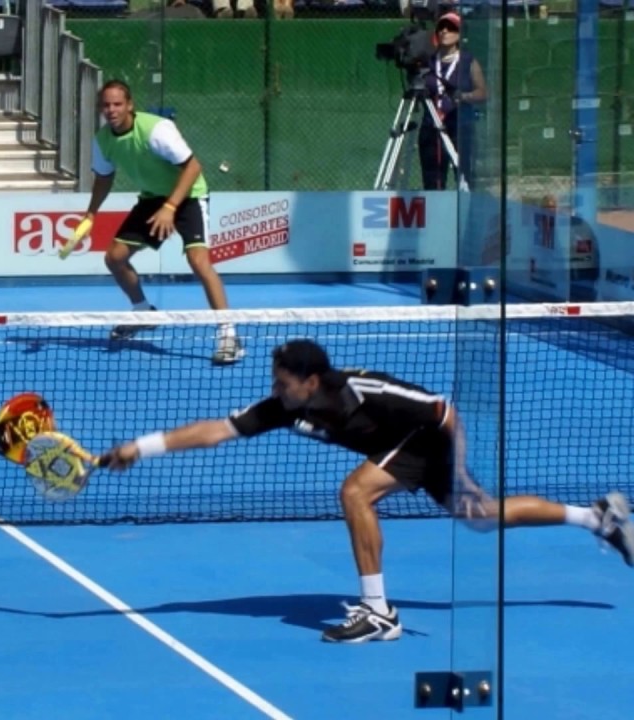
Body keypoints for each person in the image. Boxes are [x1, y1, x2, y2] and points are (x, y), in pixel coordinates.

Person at [100, 339, 634, 643]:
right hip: (404, 450)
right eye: (274, 381)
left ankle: (379, 613)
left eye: (282, 383)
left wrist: (463, 470)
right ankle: (598, 518)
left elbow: (446, 412)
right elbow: (216, 430)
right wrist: (139, 448)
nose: (274, 390)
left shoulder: (365, 390)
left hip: (428, 436)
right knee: (482, 517)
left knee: (354, 492)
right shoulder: (282, 408)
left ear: (312, 380)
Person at [81, 79, 242, 365]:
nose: (111, 110)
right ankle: (143, 311)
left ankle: (229, 333)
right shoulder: (103, 140)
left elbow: (193, 167)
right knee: (115, 257)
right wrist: (91, 213)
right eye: (106, 105)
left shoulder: (156, 130)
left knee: (198, 260)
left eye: (117, 104)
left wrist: (170, 207)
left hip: (189, 194)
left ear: (130, 105)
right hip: (153, 198)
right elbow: (104, 178)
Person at [419, 12, 485, 190]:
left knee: (465, 178)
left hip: (459, 127)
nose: (445, 31)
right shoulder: (428, 62)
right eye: (441, 27)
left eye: (451, 28)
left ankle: (466, 214)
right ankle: (437, 215)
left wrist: (463, 96)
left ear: (459, 34)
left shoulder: (468, 61)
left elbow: (482, 93)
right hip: (432, 128)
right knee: (433, 181)